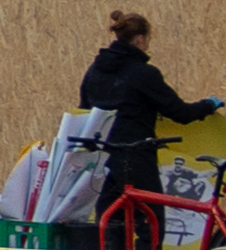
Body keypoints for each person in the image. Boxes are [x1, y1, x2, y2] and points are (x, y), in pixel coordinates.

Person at [75, 12, 193, 200]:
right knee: (150, 218)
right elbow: (179, 112)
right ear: (139, 39)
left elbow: (84, 108)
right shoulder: (143, 73)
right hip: (136, 157)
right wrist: (209, 105)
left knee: (111, 220)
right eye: (147, 40)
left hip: (102, 158)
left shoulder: (94, 71)